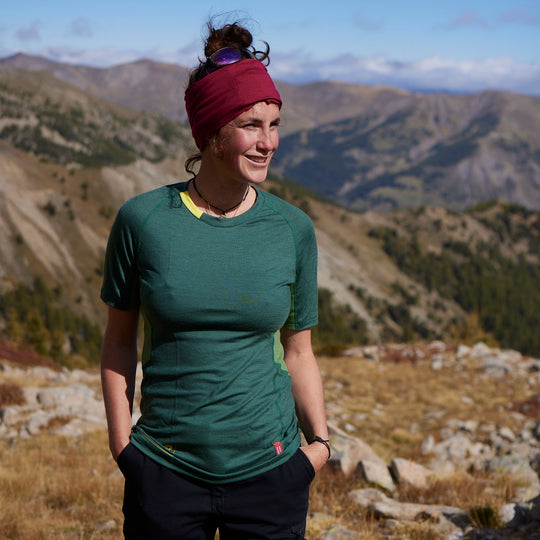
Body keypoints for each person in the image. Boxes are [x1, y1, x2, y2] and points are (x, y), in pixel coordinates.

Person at [100, 20, 329, 540]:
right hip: (164, 472)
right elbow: (117, 342)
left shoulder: (292, 229)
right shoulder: (143, 220)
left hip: (272, 474)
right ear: (209, 132)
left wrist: (318, 447)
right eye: (251, 125)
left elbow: (299, 351)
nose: (268, 142)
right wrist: (124, 449)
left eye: (275, 125)